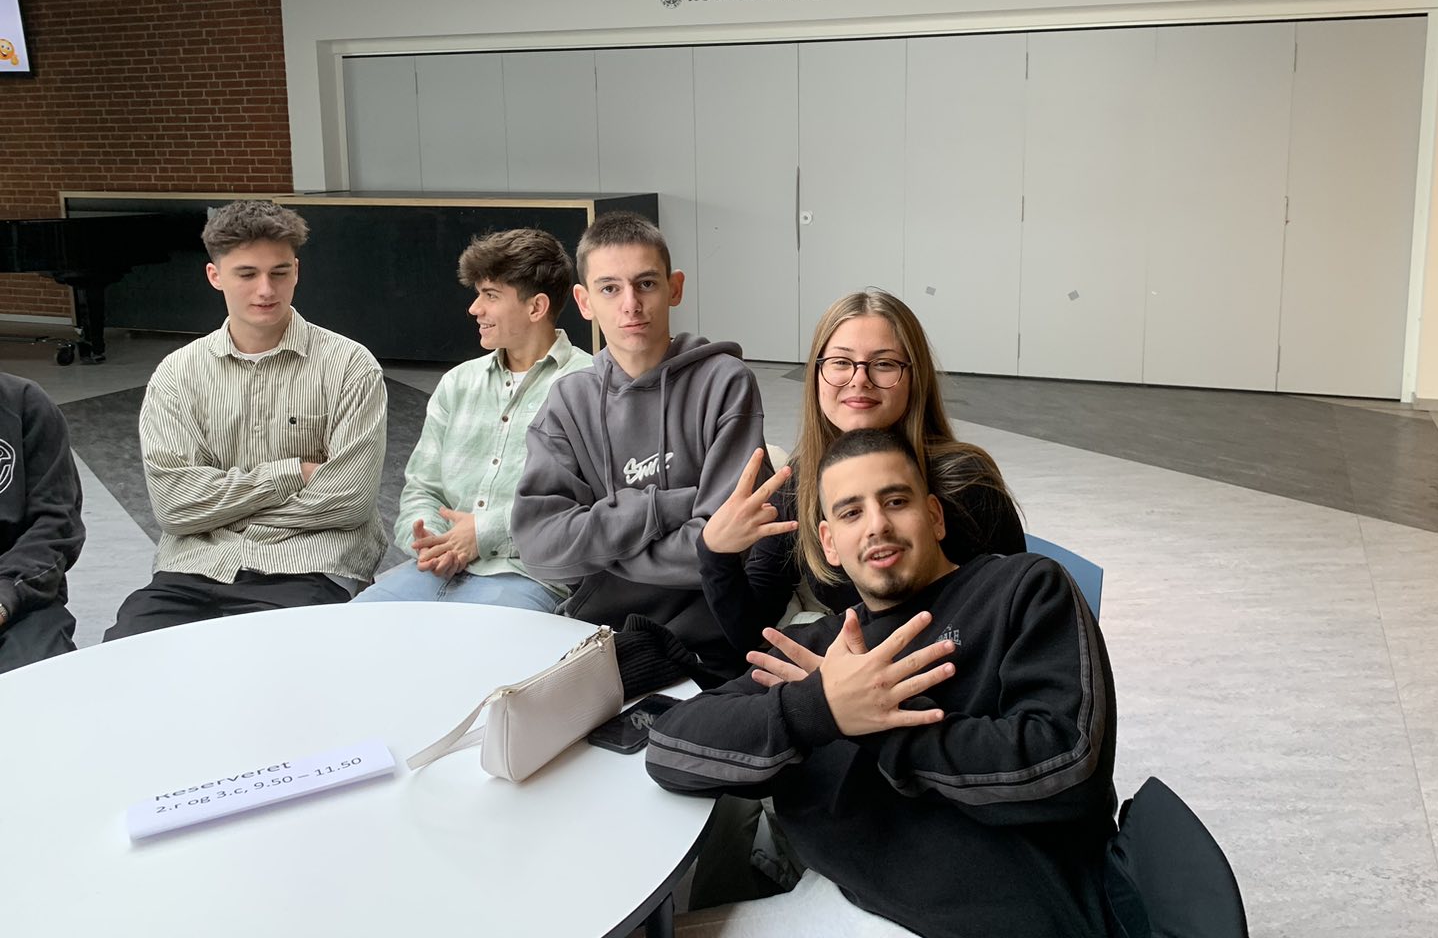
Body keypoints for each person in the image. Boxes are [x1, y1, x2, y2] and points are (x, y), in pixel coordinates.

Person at [648, 427, 1117, 938]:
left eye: (895, 501)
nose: (877, 525)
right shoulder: (822, 650)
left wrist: (879, 723)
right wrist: (818, 709)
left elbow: (1067, 764)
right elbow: (671, 747)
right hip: (841, 902)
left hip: (999, 916)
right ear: (830, 543)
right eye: (851, 513)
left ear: (934, 516)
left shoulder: (1022, 589)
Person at [104, 200, 387, 640]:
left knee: (270, 663)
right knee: (128, 654)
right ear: (215, 276)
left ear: (296, 271)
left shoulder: (350, 366)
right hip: (196, 567)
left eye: (279, 272)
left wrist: (218, 511)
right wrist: (291, 474)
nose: (265, 290)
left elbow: (348, 500)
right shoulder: (178, 374)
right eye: (247, 274)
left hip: (307, 566)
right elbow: (174, 506)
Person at [510, 211, 769, 681]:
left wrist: (598, 548)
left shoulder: (725, 383)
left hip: (705, 641)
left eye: (645, 284)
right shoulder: (569, 401)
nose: (630, 304)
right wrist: (674, 507)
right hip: (596, 634)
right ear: (584, 302)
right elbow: (541, 549)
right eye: (610, 288)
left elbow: (730, 549)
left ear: (674, 288)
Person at [699, 289, 1023, 656]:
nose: (859, 379)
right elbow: (753, 633)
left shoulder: (966, 481)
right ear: (817, 373)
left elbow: (1014, 614)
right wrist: (715, 552)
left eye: (883, 364)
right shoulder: (800, 484)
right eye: (841, 362)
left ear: (914, 376)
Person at [355, 229, 591, 609]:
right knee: (350, 630)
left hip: (526, 575)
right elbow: (422, 488)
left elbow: (586, 506)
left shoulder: (588, 385)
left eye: (491, 295)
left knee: (474, 645)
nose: (474, 308)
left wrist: (484, 534)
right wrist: (432, 541)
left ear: (536, 308)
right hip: (434, 570)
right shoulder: (458, 383)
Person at [0, 371, 86, 673]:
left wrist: (6, 594)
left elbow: (56, 524)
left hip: (20, 595)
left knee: (39, 681)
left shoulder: (24, 403)